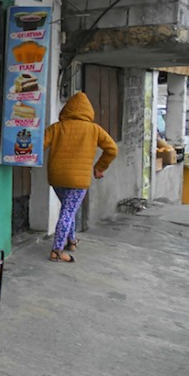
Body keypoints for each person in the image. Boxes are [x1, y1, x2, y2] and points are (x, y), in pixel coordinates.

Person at [43, 92, 117, 263]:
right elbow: (112, 149)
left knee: (68, 209)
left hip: (57, 177)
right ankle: (57, 250)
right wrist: (99, 168)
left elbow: (39, 145)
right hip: (78, 181)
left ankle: (71, 241)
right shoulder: (94, 129)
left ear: (66, 109)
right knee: (68, 211)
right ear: (88, 111)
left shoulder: (56, 128)